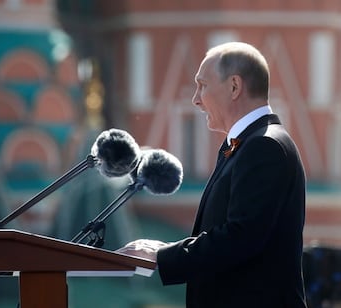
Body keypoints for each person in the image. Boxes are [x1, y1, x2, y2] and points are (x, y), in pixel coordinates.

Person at [118, 42, 307, 307]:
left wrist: (163, 255)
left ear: (234, 87)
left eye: (203, 85)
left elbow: (241, 237)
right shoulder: (245, 144)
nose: (196, 99)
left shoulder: (263, 146)